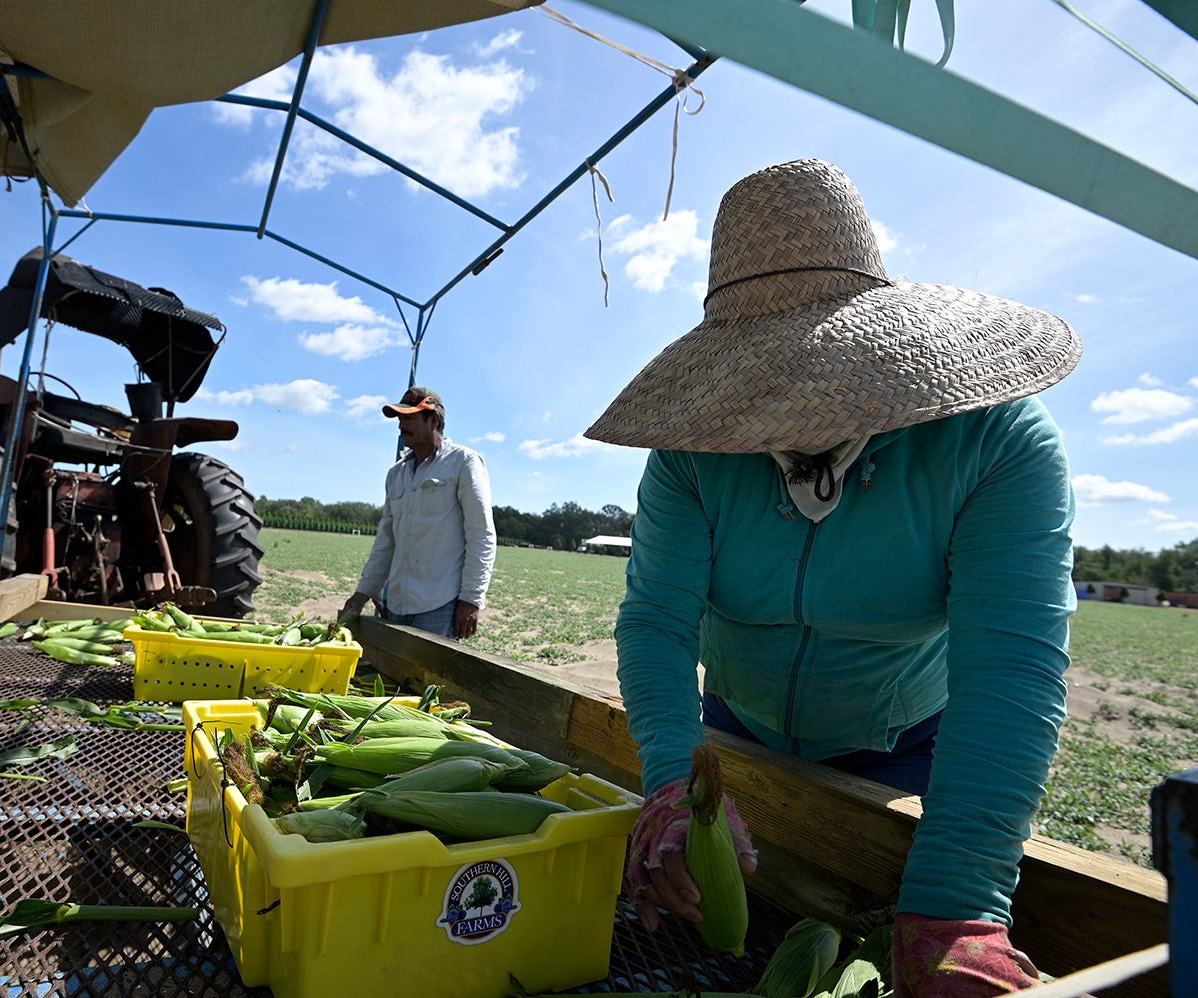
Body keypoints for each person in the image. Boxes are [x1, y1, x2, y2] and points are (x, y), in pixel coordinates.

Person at [584, 159, 1080, 997]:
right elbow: (658, 622)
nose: (794, 412)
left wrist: (959, 902)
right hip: (731, 735)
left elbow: (1011, 669)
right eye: (766, 381)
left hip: (905, 757)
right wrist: (673, 779)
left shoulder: (995, 441)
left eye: (819, 377)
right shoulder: (690, 456)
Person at [342, 386, 497, 640]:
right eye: (400, 419)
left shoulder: (464, 463)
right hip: (396, 603)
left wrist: (471, 599)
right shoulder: (396, 474)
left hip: (440, 605)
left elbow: (481, 535)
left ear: (434, 419)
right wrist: (363, 593)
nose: (401, 425)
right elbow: (386, 541)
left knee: (429, 678)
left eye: (409, 418)